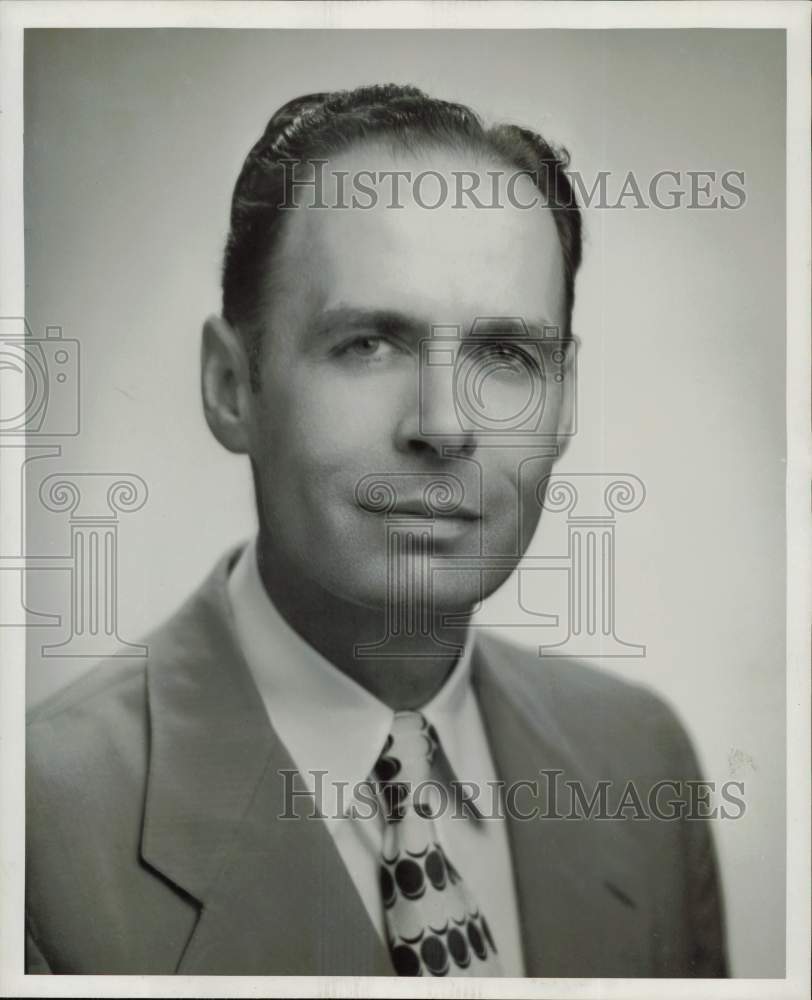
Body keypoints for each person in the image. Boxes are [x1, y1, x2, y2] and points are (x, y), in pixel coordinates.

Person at [25, 84, 728, 977]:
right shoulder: (39, 837)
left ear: (565, 401)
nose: (443, 424)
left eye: (504, 357)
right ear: (231, 386)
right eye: (368, 344)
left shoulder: (643, 763)